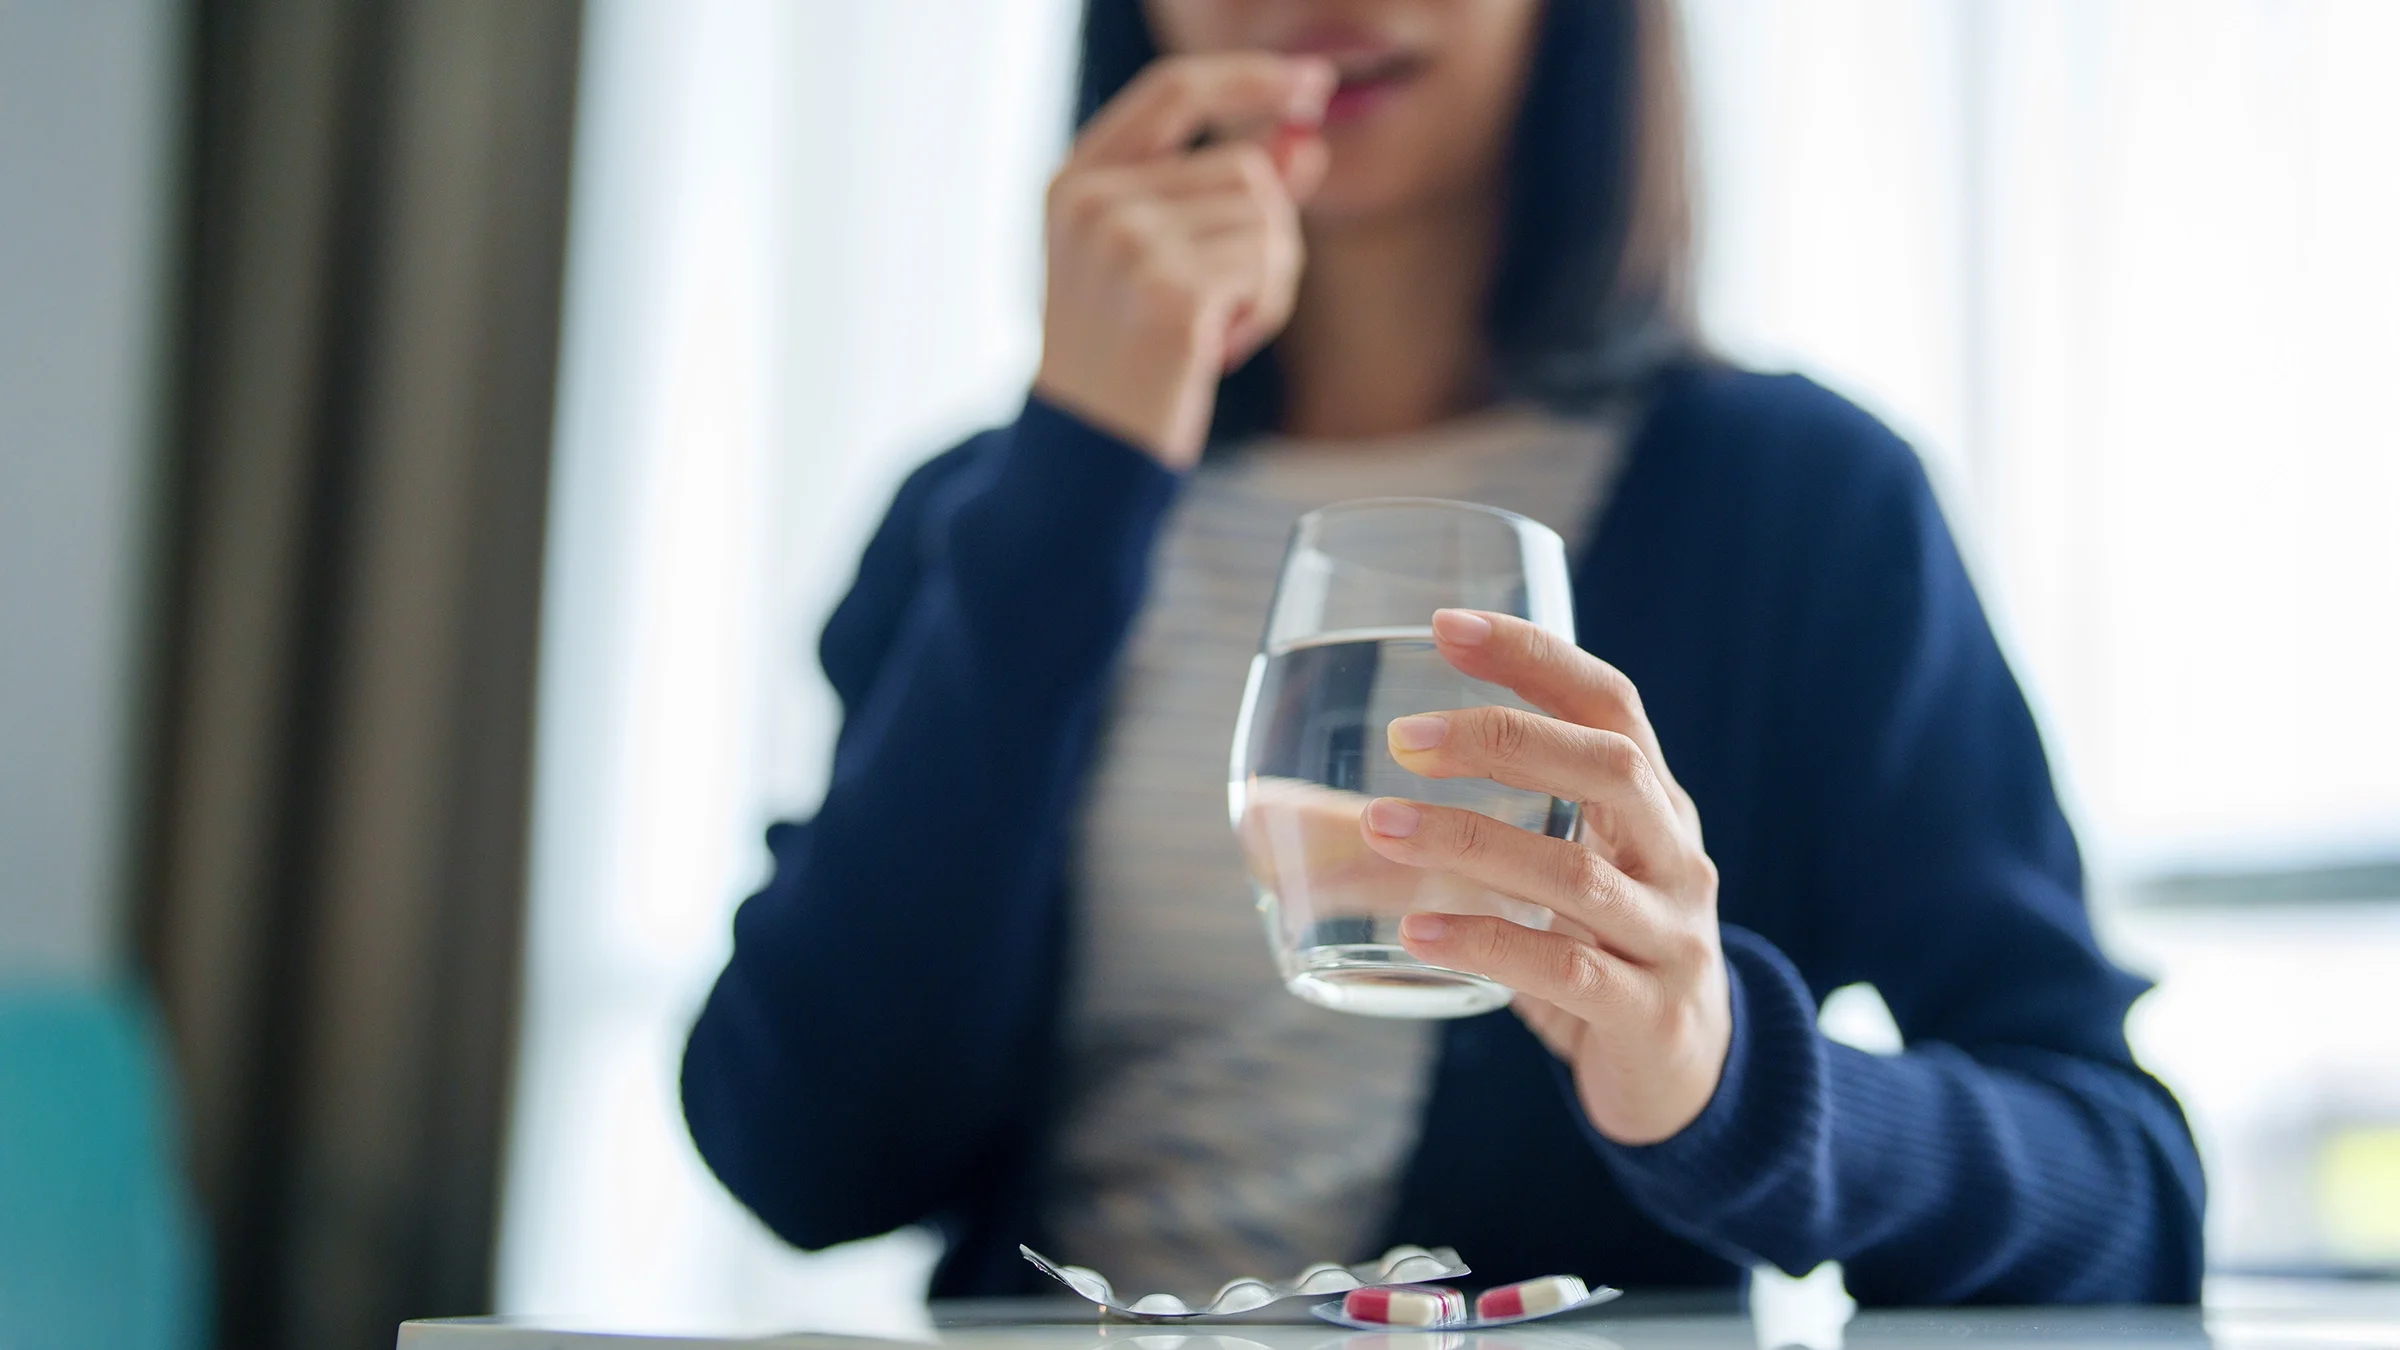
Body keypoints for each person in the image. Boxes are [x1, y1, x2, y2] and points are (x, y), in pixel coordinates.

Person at [680, 0, 2206, 1306]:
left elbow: (2125, 1187)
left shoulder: (1803, 505)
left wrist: (1718, 1071)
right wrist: (1079, 467)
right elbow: (799, 1149)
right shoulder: (984, 514)